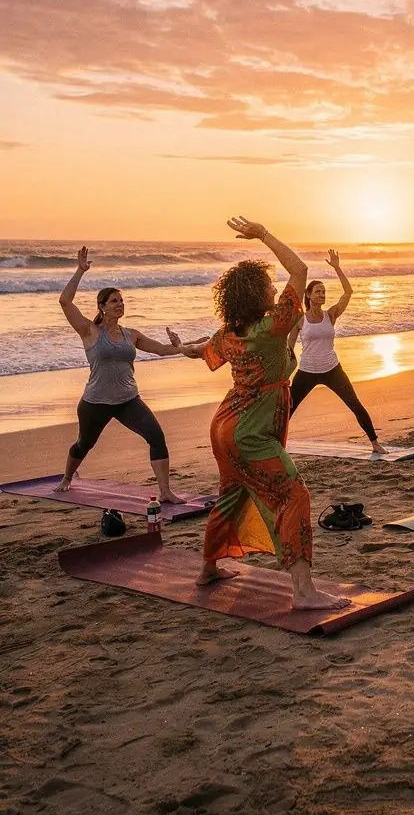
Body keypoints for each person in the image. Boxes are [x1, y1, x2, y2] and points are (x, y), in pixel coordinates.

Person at [177, 217, 346, 608]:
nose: (275, 287)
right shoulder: (272, 325)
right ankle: (303, 592)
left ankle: (208, 570)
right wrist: (264, 235)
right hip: (251, 431)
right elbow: (300, 270)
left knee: (231, 494)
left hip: (224, 426)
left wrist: (176, 348)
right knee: (294, 495)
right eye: (269, 285)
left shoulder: (230, 333)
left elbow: (200, 350)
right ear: (257, 294)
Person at [56, 247, 185, 501]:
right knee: (84, 444)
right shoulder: (89, 331)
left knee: (157, 437)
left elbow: (161, 350)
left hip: (128, 400)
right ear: (102, 307)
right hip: (95, 402)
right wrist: (80, 271)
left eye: (122, 301)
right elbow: (65, 302)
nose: (120, 304)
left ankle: (165, 491)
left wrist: (179, 346)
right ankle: (67, 477)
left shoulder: (131, 335)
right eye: (114, 301)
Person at [287, 249, 385, 454]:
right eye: (318, 292)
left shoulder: (330, 314)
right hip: (306, 371)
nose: (322, 295)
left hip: (332, 369)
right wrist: (284, 372)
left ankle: (375, 444)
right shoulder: (300, 319)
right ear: (308, 295)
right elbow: (289, 348)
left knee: (355, 404)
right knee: (287, 410)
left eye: (324, 292)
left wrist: (337, 268)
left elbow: (347, 293)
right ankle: (275, 445)